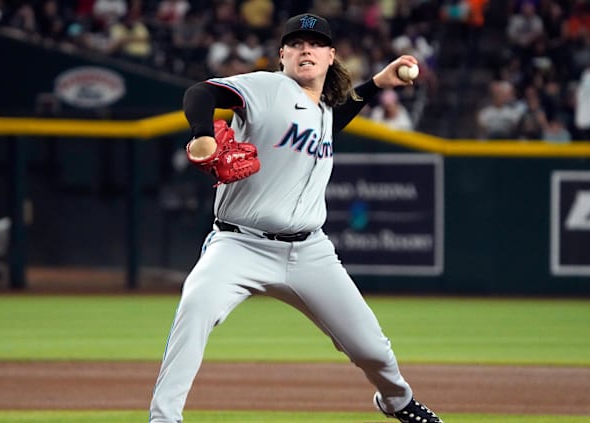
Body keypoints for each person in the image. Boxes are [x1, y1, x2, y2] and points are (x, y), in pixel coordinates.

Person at [148, 13, 443, 423]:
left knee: (372, 348)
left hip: (310, 252)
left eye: (316, 43)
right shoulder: (267, 87)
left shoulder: (321, 107)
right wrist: (201, 132)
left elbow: (331, 120)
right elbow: (199, 92)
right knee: (196, 306)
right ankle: (165, 418)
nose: (307, 49)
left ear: (330, 55)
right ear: (282, 54)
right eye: (297, 43)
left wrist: (377, 84)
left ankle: (397, 401)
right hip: (239, 243)